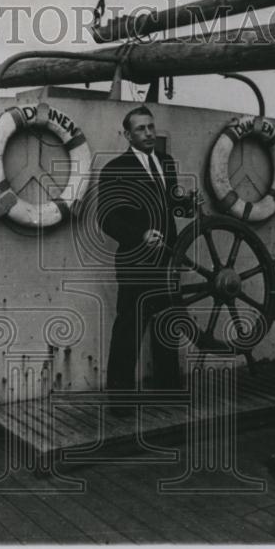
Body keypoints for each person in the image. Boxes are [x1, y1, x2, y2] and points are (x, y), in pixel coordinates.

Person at [97, 105, 187, 403]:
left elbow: (172, 206)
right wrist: (140, 235)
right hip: (136, 262)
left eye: (151, 127)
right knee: (129, 329)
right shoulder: (115, 169)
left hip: (168, 260)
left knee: (166, 323)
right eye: (140, 129)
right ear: (127, 134)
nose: (148, 133)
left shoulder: (167, 162)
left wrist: (188, 204)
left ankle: (169, 388)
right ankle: (120, 398)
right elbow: (106, 218)